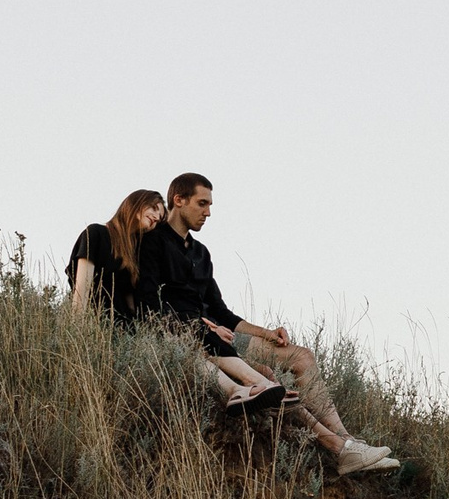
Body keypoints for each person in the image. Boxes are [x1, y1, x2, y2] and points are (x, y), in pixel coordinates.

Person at [139, 172, 399, 474]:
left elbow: (222, 311)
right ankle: (340, 449)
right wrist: (202, 325)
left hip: (222, 333)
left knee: (301, 357)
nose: (208, 212)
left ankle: (351, 443)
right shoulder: (152, 243)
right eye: (202, 203)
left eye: (210, 205)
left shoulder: (201, 253)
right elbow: (151, 304)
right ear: (178, 200)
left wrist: (266, 333)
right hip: (193, 336)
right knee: (267, 377)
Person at [71, 189, 284, 414]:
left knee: (187, 335)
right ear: (135, 203)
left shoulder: (134, 249)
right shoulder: (96, 233)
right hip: (99, 328)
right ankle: (241, 387)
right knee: (181, 337)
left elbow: (135, 301)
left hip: (129, 328)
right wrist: (79, 336)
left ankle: (246, 387)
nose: (156, 217)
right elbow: (81, 292)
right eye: (153, 208)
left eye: (160, 215)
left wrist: (197, 322)